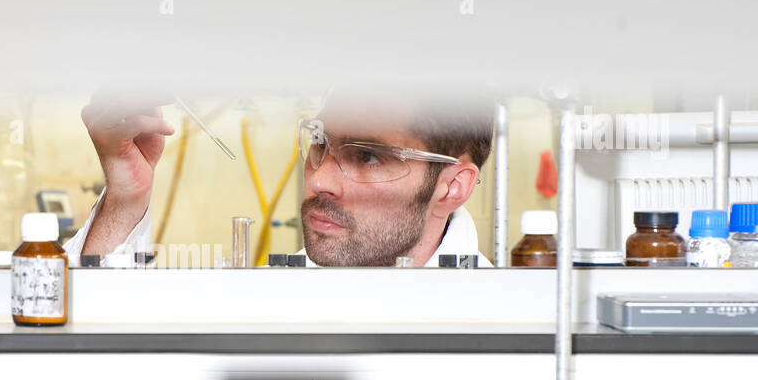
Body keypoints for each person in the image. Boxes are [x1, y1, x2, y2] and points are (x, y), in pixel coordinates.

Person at [64, 90, 494, 267]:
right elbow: (95, 371)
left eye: (368, 157)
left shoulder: (510, 325)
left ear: (451, 187)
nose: (320, 180)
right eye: (320, 143)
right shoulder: (270, 300)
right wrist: (125, 194)